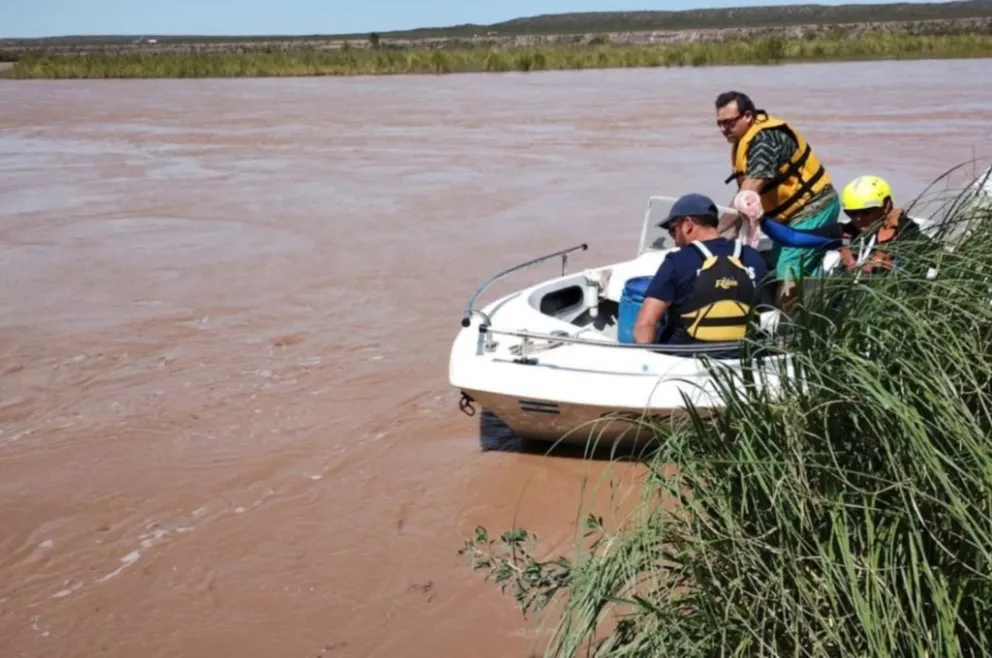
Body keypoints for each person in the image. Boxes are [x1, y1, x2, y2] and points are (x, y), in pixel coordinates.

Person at [714, 91, 841, 304]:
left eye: (729, 122)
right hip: (786, 218)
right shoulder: (745, 139)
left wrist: (717, 233)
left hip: (813, 206)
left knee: (788, 267)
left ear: (748, 116)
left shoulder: (764, 140)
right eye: (719, 123)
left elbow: (748, 193)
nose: (723, 129)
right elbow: (743, 194)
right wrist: (720, 232)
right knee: (777, 263)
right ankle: (817, 304)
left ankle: (788, 330)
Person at [633, 193, 770, 349]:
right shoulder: (752, 257)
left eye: (673, 231)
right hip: (742, 358)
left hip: (689, 357)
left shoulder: (677, 261)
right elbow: (765, 311)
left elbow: (645, 325)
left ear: (687, 224)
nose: (675, 240)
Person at [838, 174, 927, 274]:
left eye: (866, 211)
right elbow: (838, 239)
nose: (858, 218)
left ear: (886, 205)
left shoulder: (905, 231)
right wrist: (846, 254)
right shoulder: (849, 231)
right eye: (852, 212)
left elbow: (943, 259)